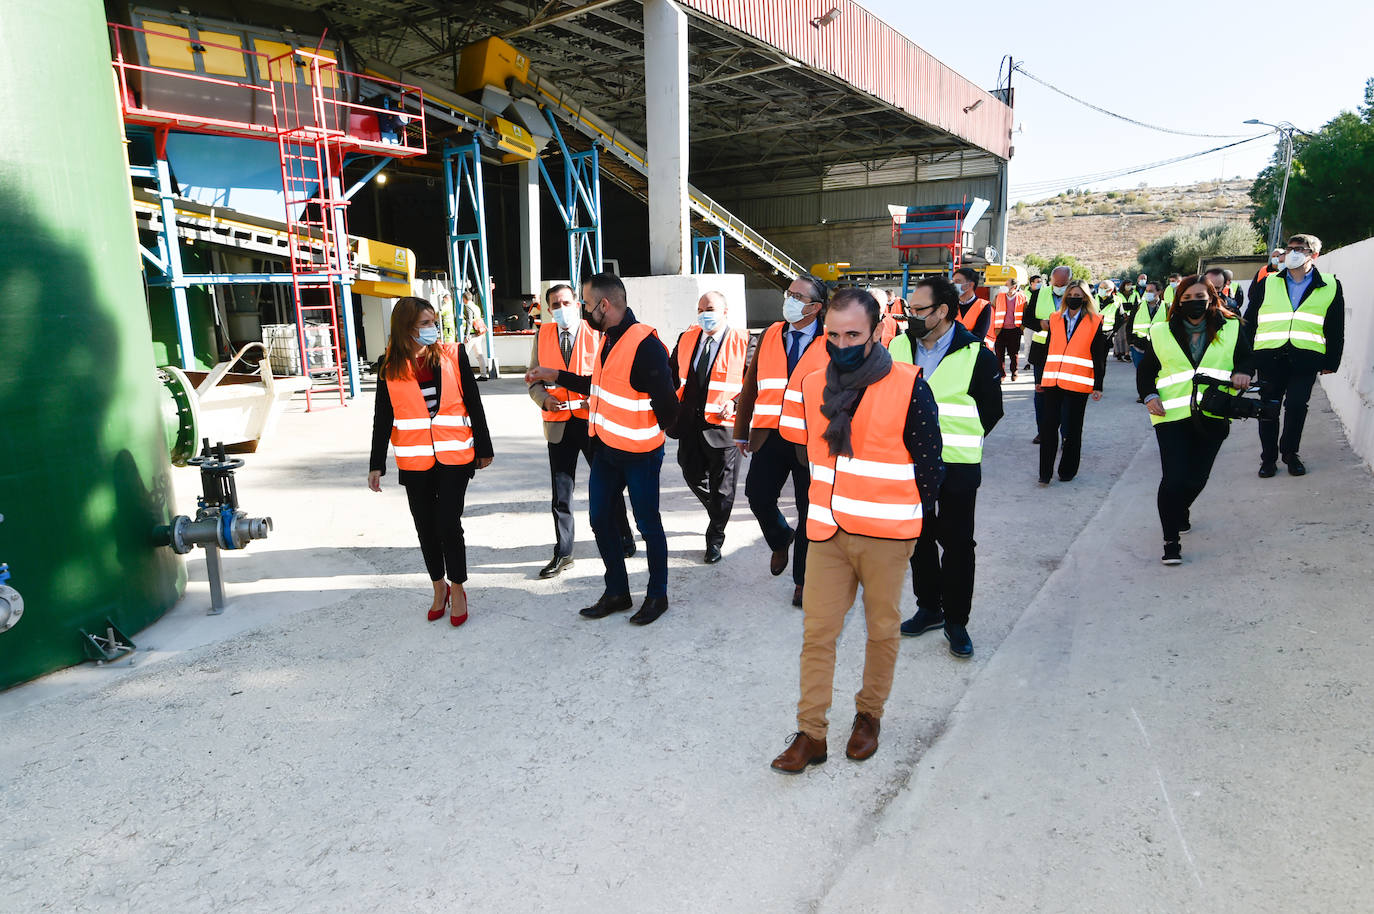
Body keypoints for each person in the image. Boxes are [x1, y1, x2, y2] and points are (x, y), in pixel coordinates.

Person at [769, 288, 944, 774]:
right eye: (832, 334)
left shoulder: (909, 385)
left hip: (887, 536)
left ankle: (869, 716)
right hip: (826, 531)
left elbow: (931, 469)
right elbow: (803, 452)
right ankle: (812, 734)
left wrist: (905, 523)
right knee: (817, 634)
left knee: (882, 630)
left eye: (853, 334)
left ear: (878, 332)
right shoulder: (809, 385)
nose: (841, 343)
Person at [524, 273, 678, 625]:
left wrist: (655, 437)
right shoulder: (608, 337)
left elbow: (669, 409)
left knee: (647, 524)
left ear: (604, 306)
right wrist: (554, 374)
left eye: (588, 305)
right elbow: (596, 386)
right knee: (600, 519)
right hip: (607, 451)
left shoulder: (645, 345)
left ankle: (658, 595)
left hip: (639, 455)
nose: (584, 311)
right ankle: (617, 592)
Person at [890, 276, 1003, 659]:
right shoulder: (897, 346)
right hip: (907, 463)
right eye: (909, 309)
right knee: (917, 537)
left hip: (957, 465)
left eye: (919, 310)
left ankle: (957, 621)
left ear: (942, 311)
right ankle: (930, 607)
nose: (911, 316)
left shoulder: (977, 354)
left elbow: (992, 410)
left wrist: (953, 440)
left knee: (957, 544)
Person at [368, 296, 493, 627]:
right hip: (415, 460)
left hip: (455, 456)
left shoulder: (453, 354)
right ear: (406, 328)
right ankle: (439, 587)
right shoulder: (388, 366)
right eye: (424, 324)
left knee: (449, 523)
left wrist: (484, 446)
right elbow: (383, 416)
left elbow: (473, 402)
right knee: (425, 526)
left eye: (433, 322)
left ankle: (458, 587)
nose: (432, 329)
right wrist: (376, 463)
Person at [1138, 274, 1253, 564]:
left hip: (1214, 411)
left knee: (1197, 478)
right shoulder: (1162, 331)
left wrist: (1243, 373)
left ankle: (1181, 510)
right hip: (1171, 415)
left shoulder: (1232, 329)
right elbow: (1147, 370)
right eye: (1186, 298)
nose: (1193, 302)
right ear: (1178, 302)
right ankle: (1170, 542)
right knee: (1174, 478)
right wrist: (1150, 396)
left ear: (1212, 299)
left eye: (1200, 296)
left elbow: (1247, 359)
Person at [734, 274, 831, 607]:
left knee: (809, 512)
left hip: (811, 443)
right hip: (769, 434)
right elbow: (751, 385)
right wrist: (741, 430)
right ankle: (780, 537)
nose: (788, 299)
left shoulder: (831, 339)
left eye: (797, 296)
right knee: (757, 496)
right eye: (788, 293)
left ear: (816, 307)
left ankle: (803, 580)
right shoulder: (772, 333)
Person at [526, 283, 634, 579]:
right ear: (548, 310)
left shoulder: (597, 333)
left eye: (566, 302)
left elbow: (613, 377)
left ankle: (624, 535)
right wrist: (544, 400)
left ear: (577, 303)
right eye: (554, 305)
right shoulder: (543, 335)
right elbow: (533, 379)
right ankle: (564, 552)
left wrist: (595, 398)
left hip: (592, 424)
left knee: (609, 486)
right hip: (558, 424)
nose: (561, 309)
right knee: (561, 493)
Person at [1243, 233, 1345, 478]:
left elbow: (1335, 326)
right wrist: (1246, 361)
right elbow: (1249, 321)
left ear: (1314, 255)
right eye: (1290, 248)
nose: (1293, 253)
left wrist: (1332, 361)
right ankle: (1268, 459)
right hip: (1269, 357)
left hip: (1306, 358)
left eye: (1300, 248)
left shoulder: (1330, 284)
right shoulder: (1268, 282)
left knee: (1297, 406)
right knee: (1268, 409)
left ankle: (1290, 454)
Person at [669, 291, 750, 563]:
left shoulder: (744, 341)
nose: (705, 313)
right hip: (691, 423)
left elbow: (757, 381)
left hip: (724, 427)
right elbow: (672, 374)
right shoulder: (687, 338)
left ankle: (714, 539)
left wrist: (737, 402)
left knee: (724, 488)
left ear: (725, 311)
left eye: (711, 308)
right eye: (701, 308)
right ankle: (717, 508)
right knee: (691, 473)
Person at [1036, 279, 1109, 484]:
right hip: (1053, 382)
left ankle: (1067, 470)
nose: (1074, 299)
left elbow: (1099, 355)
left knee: (1072, 429)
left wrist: (1098, 385)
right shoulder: (1055, 318)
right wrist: (1040, 378)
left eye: (1078, 296)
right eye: (1071, 295)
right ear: (1065, 296)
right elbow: (1047, 349)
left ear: (1085, 298)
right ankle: (1045, 473)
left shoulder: (1095, 321)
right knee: (1049, 428)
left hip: (1078, 384)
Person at [1026, 265, 1071, 443]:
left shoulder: (1076, 295)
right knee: (1041, 394)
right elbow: (1026, 319)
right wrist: (1040, 324)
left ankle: (1066, 434)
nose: (1059, 287)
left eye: (1063, 284)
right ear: (1051, 280)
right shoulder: (1039, 294)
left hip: (1068, 352)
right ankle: (1043, 432)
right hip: (1042, 353)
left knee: (1066, 396)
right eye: (1056, 283)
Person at [1130, 281, 1168, 382]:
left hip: (1158, 346)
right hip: (1139, 346)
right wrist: (1130, 342)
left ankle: (1155, 393)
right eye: (1146, 291)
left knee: (1157, 372)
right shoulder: (1138, 306)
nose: (1147, 293)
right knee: (1141, 372)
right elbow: (1130, 325)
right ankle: (1142, 395)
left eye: (1151, 291)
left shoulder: (1167, 307)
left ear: (1159, 292)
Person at [990, 276, 1026, 380]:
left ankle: (1014, 371)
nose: (1004, 286)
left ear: (1013, 286)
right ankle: (1001, 374)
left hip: (1015, 329)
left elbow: (1025, 311)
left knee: (1013, 353)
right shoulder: (999, 296)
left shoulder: (1021, 297)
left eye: (1007, 284)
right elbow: (993, 309)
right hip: (1000, 330)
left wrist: (1023, 327)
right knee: (999, 354)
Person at [953, 266, 991, 343]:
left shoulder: (984, 306)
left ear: (970, 285)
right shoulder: (950, 304)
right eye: (953, 282)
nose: (954, 285)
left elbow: (979, 335)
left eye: (957, 281)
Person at [461, 291, 491, 380]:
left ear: (464, 299)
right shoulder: (476, 306)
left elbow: (469, 321)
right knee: (479, 354)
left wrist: (466, 335)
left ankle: (465, 375)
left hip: (472, 334)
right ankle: (483, 374)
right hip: (479, 333)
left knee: (464, 354)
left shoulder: (468, 307)